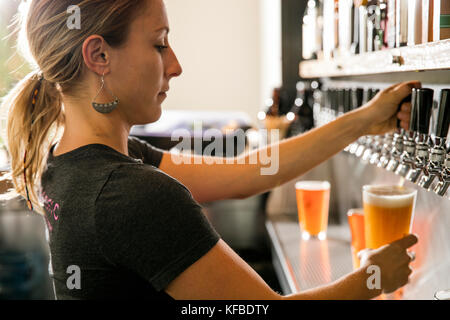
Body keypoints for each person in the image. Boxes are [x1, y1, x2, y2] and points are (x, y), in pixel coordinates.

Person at [1, 0, 418, 300]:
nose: (175, 64)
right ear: (99, 55)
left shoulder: (72, 161)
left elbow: (247, 173)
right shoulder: (129, 194)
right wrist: (372, 278)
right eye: (159, 44)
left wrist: (363, 120)